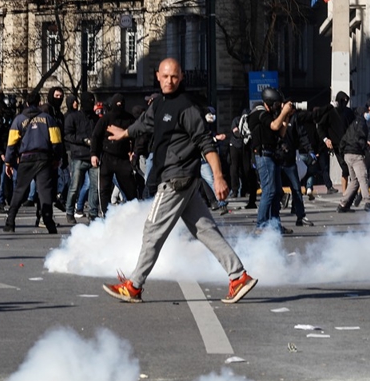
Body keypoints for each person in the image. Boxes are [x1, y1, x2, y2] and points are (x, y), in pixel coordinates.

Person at [102, 58, 257, 304]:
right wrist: (125, 133)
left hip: (177, 179)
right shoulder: (160, 104)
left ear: (181, 76)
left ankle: (134, 286)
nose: (169, 81)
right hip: (182, 179)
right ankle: (238, 276)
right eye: (165, 76)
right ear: (157, 76)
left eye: (174, 76)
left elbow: (206, 142)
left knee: (152, 230)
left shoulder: (187, 108)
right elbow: (144, 124)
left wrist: (218, 177)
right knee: (205, 230)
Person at [3, 91, 61, 234]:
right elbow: (57, 142)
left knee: (19, 190)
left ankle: (10, 222)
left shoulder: (18, 120)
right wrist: (56, 158)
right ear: (39, 102)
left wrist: (8, 163)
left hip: (26, 158)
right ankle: (49, 222)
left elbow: (11, 144)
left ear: (26, 103)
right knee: (44, 191)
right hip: (43, 158)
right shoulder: (48, 119)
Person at [248, 87, 295, 233]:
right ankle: (260, 225)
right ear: (269, 102)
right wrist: (283, 112)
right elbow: (275, 126)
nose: (277, 106)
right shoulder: (259, 113)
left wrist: (287, 116)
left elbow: (281, 132)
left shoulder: (269, 114)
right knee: (269, 191)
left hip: (272, 155)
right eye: (276, 104)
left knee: (276, 192)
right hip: (263, 155)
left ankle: (275, 225)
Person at [91, 93, 139, 215]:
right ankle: (105, 214)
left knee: (130, 188)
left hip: (123, 158)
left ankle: (134, 213)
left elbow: (136, 137)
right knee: (104, 189)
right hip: (107, 157)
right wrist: (94, 154)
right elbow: (96, 136)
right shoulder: (105, 119)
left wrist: (134, 152)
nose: (119, 107)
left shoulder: (129, 119)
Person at [63, 94, 99, 223]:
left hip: (91, 155)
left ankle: (93, 212)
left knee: (94, 187)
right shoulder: (73, 117)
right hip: (79, 155)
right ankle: (69, 211)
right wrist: (83, 141)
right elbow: (67, 135)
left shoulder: (95, 118)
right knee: (75, 186)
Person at [337, 98, 370, 212]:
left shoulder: (352, 124)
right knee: (363, 178)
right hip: (356, 154)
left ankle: (342, 204)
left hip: (347, 154)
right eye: (367, 112)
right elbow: (360, 138)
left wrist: (343, 152)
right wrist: (366, 148)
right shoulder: (362, 124)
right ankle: (368, 202)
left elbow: (344, 140)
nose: (369, 114)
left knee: (354, 181)